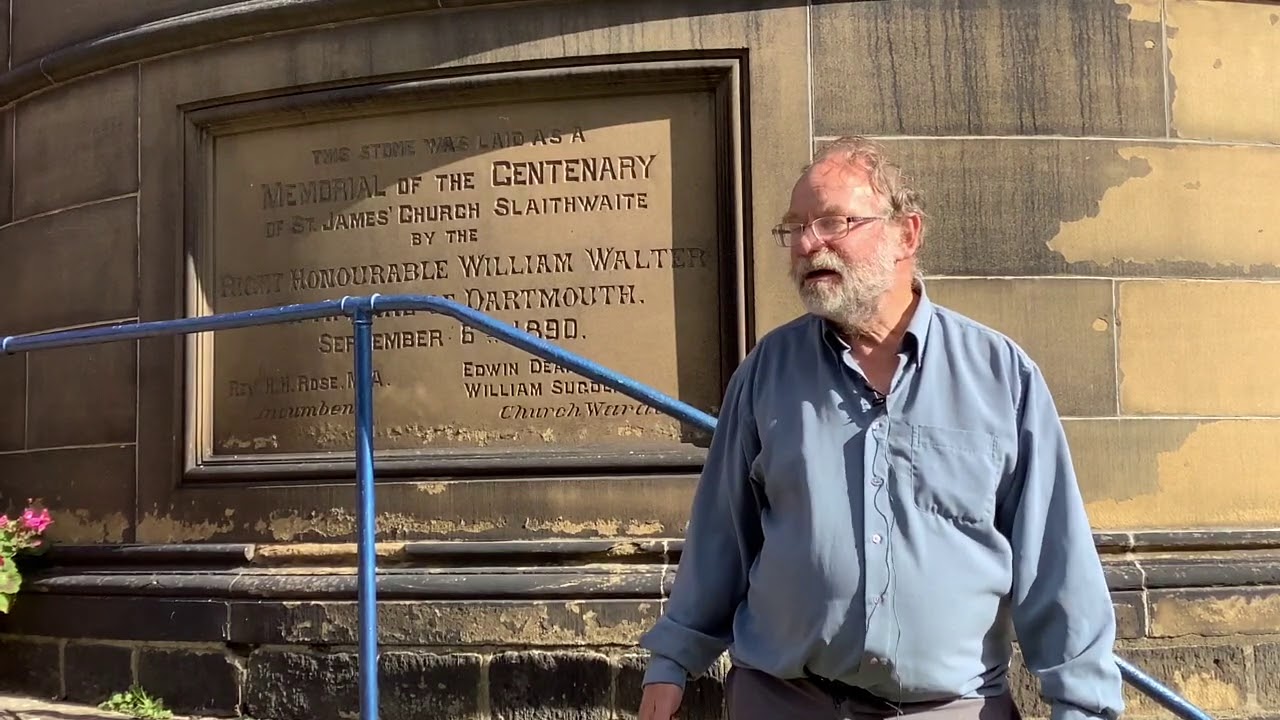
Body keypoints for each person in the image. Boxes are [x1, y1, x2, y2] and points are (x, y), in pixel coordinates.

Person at [636, 136, 1125, 720]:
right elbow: (721, 536)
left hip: (948, 709)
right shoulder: (767, 372)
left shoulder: (1000, 376)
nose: (807, 243)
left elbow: (1056, 562)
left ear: (906, 234)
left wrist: (1084, 706)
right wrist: (673, 659)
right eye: (795, 226)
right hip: (784, 700)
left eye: (834, 221)